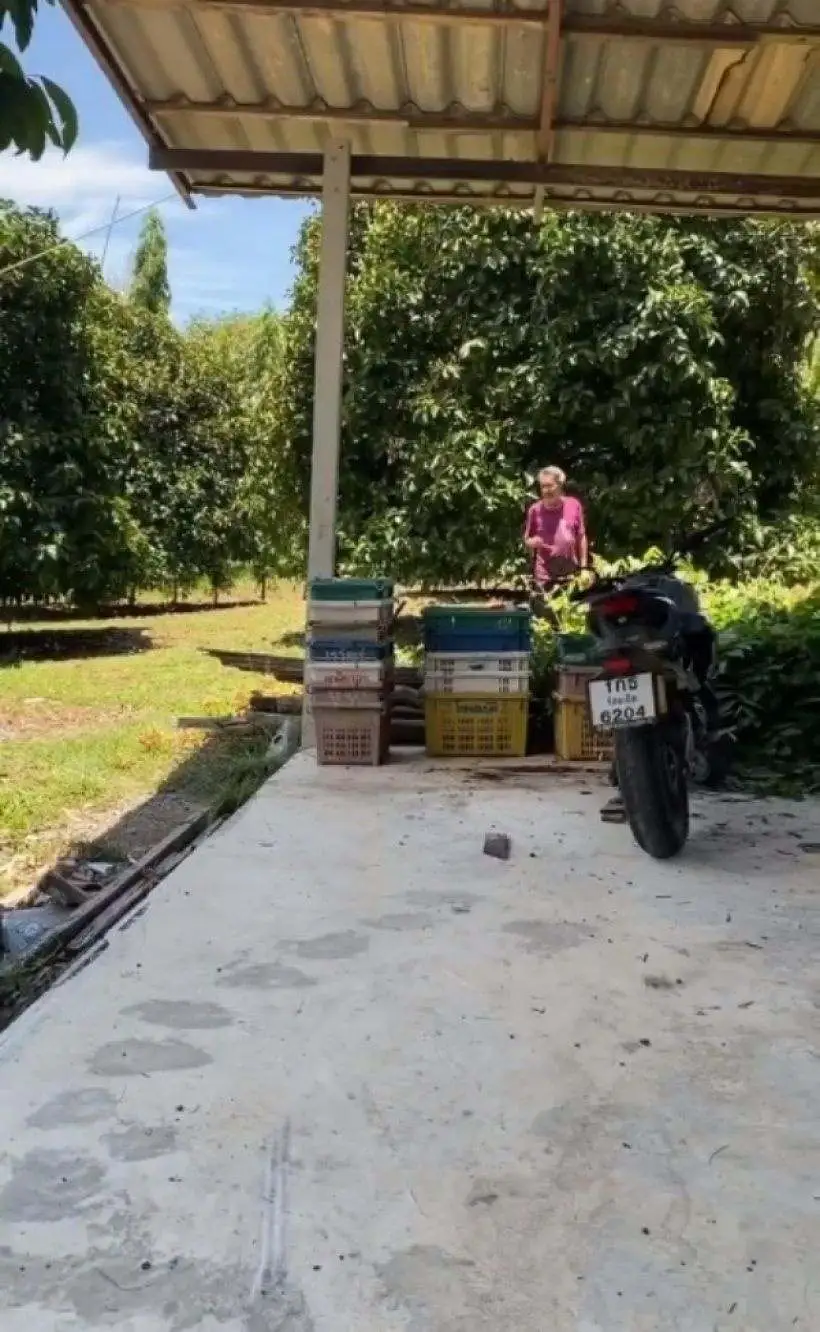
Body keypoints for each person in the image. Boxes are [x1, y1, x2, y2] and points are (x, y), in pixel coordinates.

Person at [524, 465, 588, 594]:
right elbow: (527, 539)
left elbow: (581, 536)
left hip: (570, 572)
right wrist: (532, 542)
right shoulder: (534, 510)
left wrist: (584, 567)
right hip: (544, 576)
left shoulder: (574, 505)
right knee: (546, 606)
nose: (546, 490)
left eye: (550, 486)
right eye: (543, 486)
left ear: (560, 485)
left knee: (571, 605)